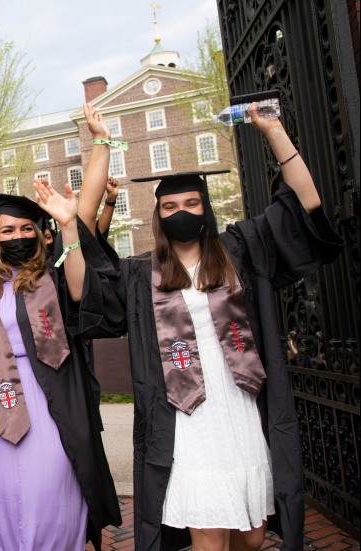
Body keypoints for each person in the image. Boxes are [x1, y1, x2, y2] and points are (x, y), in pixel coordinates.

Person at [75, 103, 343, 550]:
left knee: (253, 538)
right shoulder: (140, 273)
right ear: (159, 214)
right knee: (208, 538)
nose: (181, 211)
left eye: (191, 202)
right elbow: (83, 234)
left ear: (206, 208)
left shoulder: (241, 248)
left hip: (241, 406)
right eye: (171, 205)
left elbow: (305, 204)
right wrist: (101, 144)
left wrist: (274, 131)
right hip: (183, 417)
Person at [0, 180, 122, 550]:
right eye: (8, 230)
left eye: (27, 228)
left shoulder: (53, 279)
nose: (18, 236)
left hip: (52, 397)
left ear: (39, 234)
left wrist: (68, 224)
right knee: (0, 493)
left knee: (50, 487)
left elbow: (84, 294)